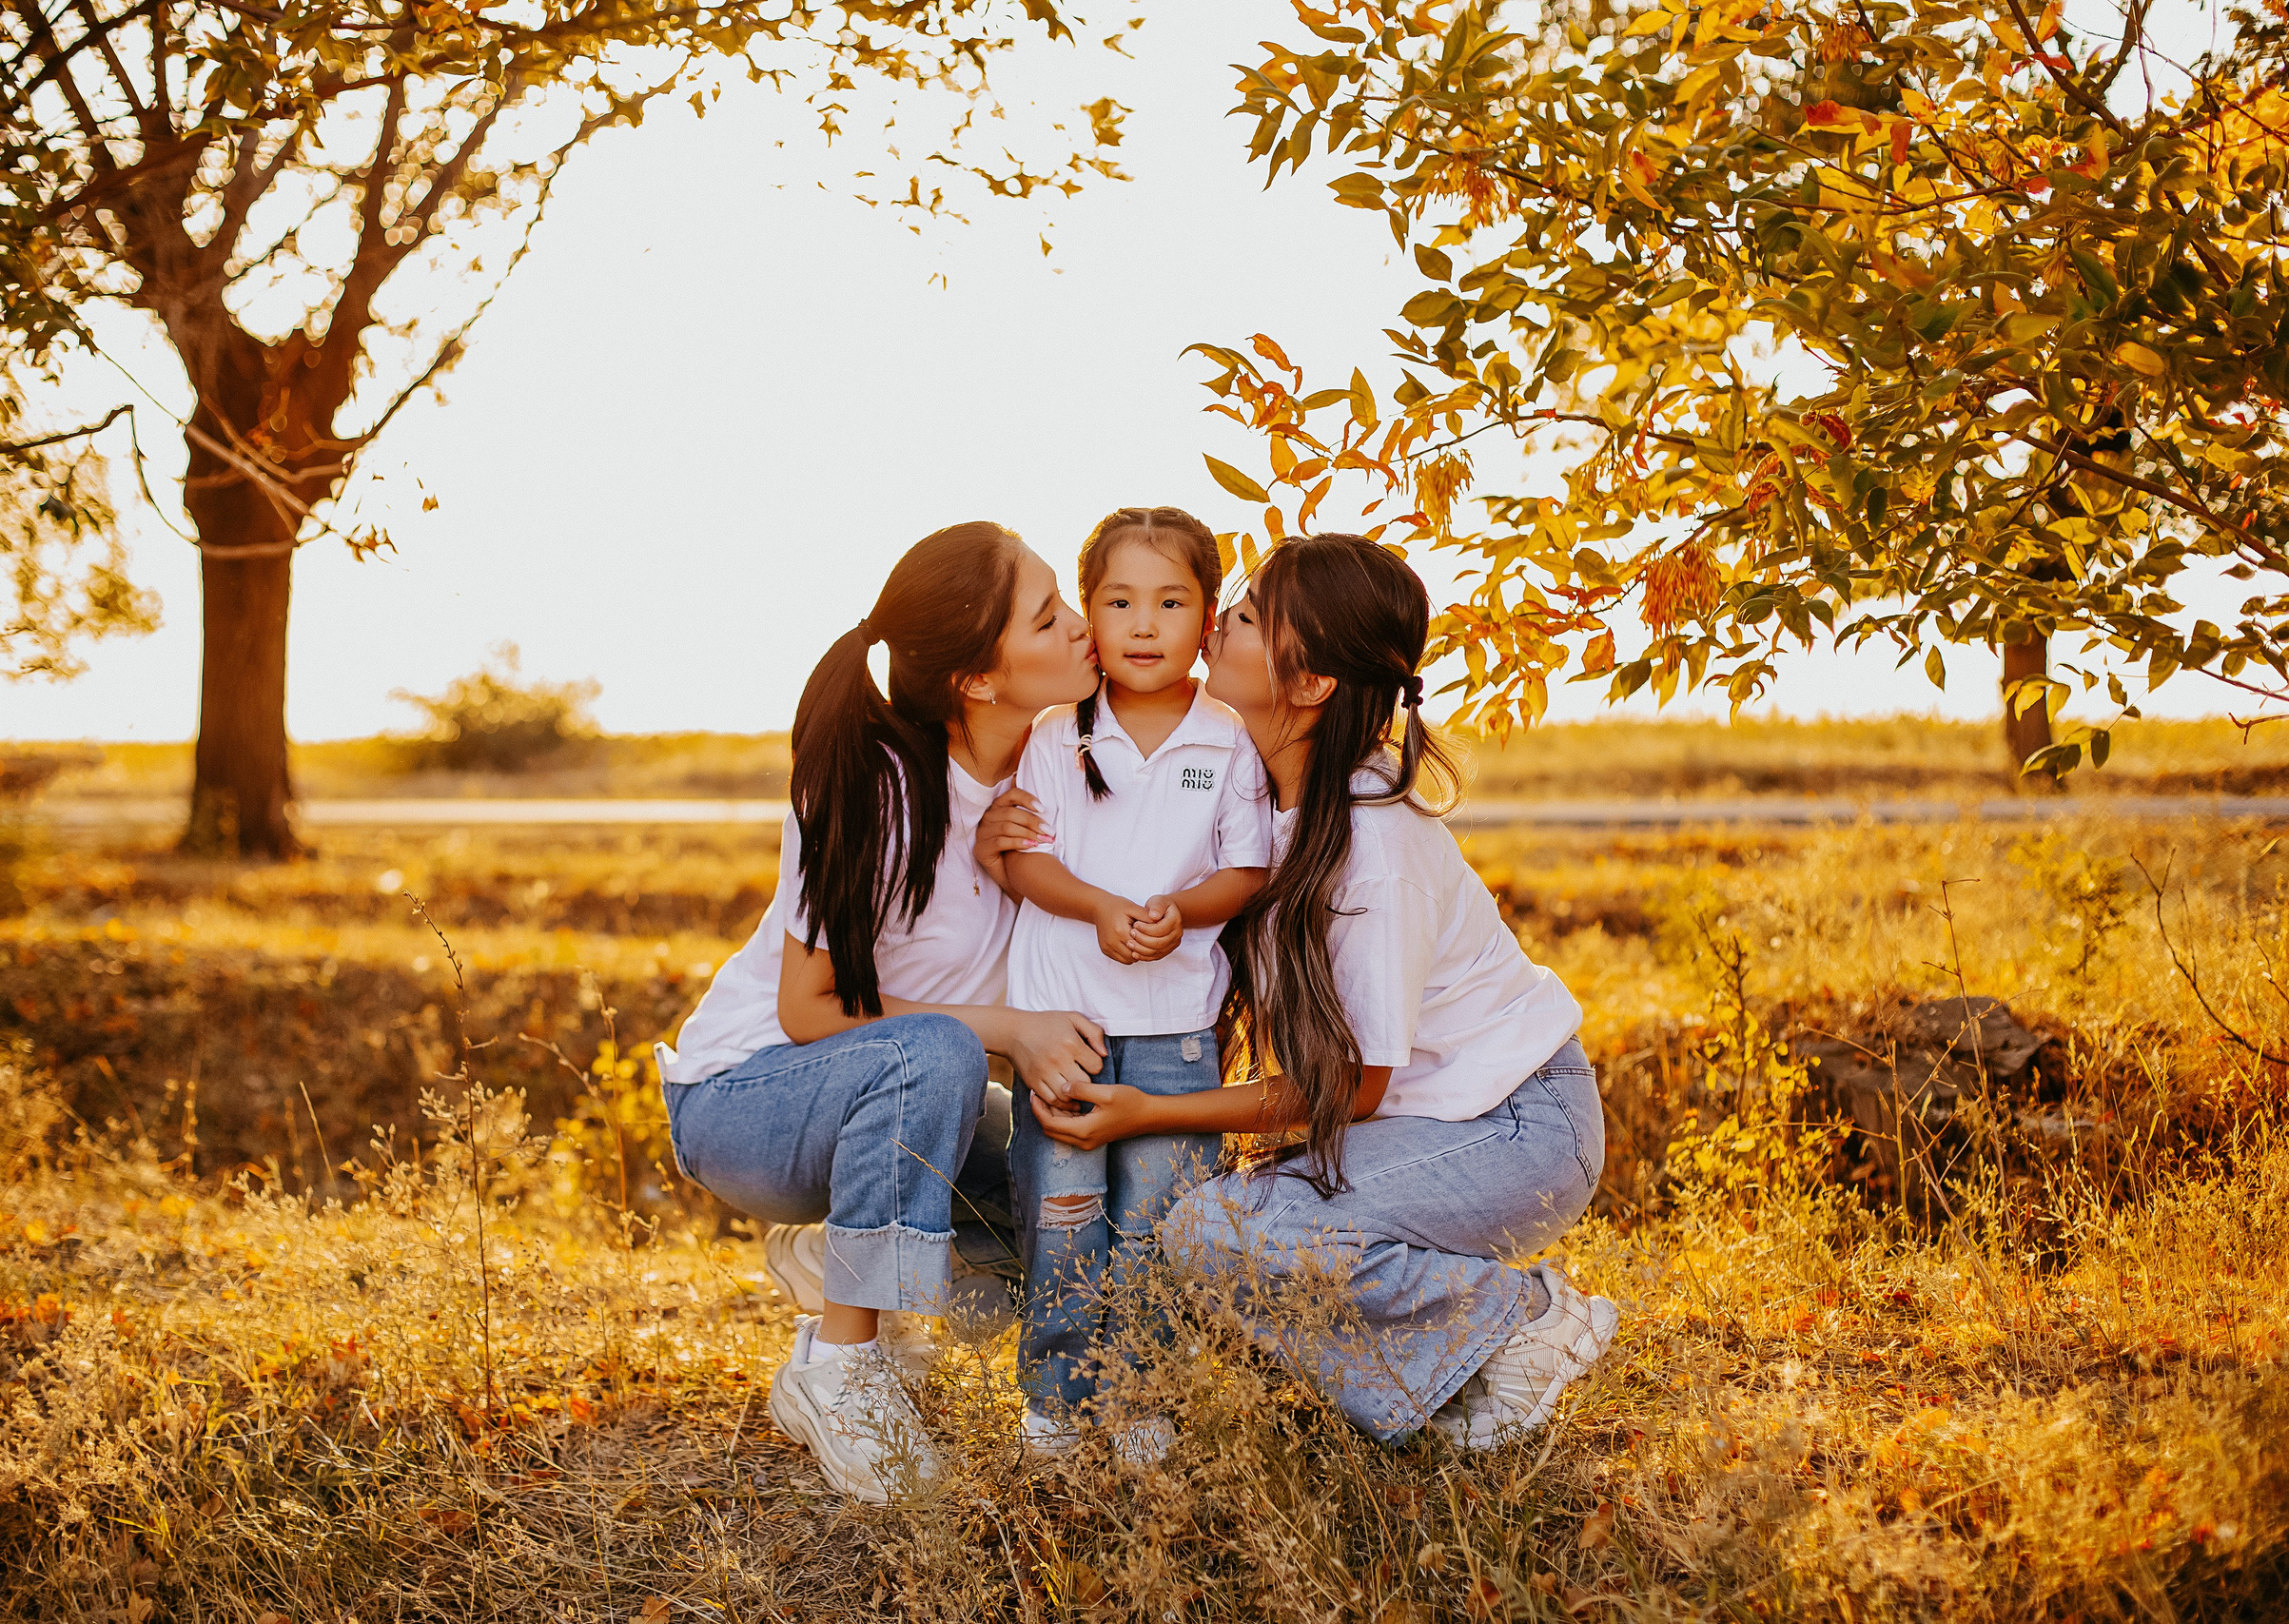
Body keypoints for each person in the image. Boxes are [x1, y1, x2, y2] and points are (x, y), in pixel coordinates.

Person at [1028, 534, 1619, 1447]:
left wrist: (1144, 1112)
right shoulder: (1260, 792)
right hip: (1424, 1125)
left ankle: (1524, 1318)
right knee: (1210, 1232)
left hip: (1516, 1128)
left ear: (1308, 686)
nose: (1222, 617)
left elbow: (1355, 1087)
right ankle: (1456, 1372)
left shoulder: (1372, 846)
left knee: (1224, 1234)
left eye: (1252, 614)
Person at [655, 521, 1109, 1504]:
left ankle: (839, 1262)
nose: (1080, 627)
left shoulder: (1051, 772)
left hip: (902, 1097)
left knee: (1075, 1218)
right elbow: (809, 1008)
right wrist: (1008, 1029)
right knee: (939, 1053)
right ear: (978, 681)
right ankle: (842, 1372)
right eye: (1046, 616)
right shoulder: (875, 781)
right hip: (747, 1104)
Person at [971, 506, 1272, 1458]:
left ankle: (1147, 1398)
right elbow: (1022, 864)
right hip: (1064, 1025)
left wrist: (1182, 911)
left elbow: (1249, 868)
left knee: (1157, 1224)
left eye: (1170, 601)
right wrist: (1101, 907)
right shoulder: (1058, 736)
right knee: (1062, 1222)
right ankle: (1056, 1402)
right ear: (1089, 616)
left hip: (1178, 1029)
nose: (1144, 625)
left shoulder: (1228, 741)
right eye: (1118, 601)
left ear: (1208, 615)